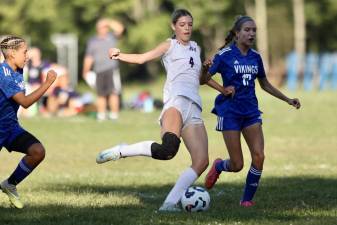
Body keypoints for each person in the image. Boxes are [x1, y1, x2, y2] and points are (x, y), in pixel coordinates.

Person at [96, 9, 234, 212]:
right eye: (182, 24)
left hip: (194, 107)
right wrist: (119, 55)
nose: (186, 28)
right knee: (168, 149)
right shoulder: (169, 45)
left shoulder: (195, 48)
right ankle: (121, 151)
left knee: (202, 161)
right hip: (175, 103)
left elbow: (200, 79)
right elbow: (143, 58)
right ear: (174, 27)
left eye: (189, 24)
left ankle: (169, 204)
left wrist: (220, 86)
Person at [200, 15, 301, 207]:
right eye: (247, 30)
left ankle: (246, 200)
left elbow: (265, 84)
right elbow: (202, 79)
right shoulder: (224, 56)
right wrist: (207, 72)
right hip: (229, 112)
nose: (251, 33)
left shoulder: (256, 57)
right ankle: (220, 165)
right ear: (237, 34)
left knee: (259, 156)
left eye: (254, 30)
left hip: (251, 112)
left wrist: (288, 99)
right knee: (237, 165)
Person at [0, 36, 57, 208]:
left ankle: (10, 184)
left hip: (10, 128)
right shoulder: (4, 74)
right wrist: (47, 83)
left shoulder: (18, 70)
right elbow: (24, 102)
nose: (27, 55)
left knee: (37, 151)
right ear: (11, 53)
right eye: (24, 52)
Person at [83, 18, 124, 121]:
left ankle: (114, 115)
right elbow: (89, 57)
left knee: (113, 93)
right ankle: (101, 115)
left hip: (111, 69)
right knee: (100, 94)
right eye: (102, 27)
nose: (104, 29)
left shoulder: (111, 37)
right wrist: (85, 70)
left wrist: (108, 22)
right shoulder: (93, 41)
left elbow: (120, 29)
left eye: (105, 27)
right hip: (98, 70)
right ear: (97, 28)